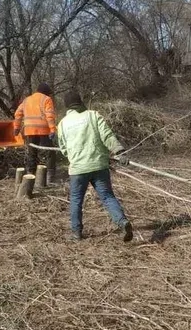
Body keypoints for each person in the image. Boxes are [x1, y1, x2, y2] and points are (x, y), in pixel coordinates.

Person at [56, 91, 133, 242]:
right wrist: (119, 151)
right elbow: (107, 135)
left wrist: (74, 157)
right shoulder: (93, 115)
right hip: (99, 166)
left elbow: (63, 148)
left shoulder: (62, 124)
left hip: (78, 169)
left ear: (67, 106)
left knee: (76, 200)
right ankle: (122, 222)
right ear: (80, 101)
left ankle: (76, 233)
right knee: (107, 196)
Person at [13, 82, 57, 181]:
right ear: (45, 92)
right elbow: (49, 116)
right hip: (44, 131)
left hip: (30, 131)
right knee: (50, 153)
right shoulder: (46, 99)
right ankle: (50, 177)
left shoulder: (26, 100)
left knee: (32, 153)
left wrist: (16, 128)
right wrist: (53, 130)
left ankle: (30, 174)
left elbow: (18, 114)